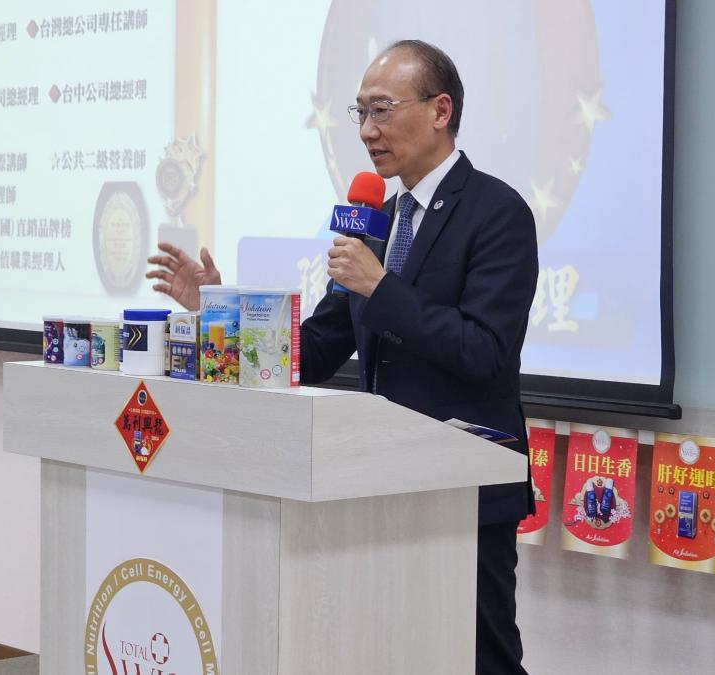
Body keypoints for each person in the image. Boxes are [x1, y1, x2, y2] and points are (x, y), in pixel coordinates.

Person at [147, 40, 537, 674]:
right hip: (378, 480)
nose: (366, 131)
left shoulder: (497, 212)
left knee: (480, 658)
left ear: (440, 111)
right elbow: (319, 349)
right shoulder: (375, 219)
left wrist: (382, 288)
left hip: (463, 490)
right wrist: (217, 309)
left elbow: (484, 352)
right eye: (360, 112)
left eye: (381, 110)